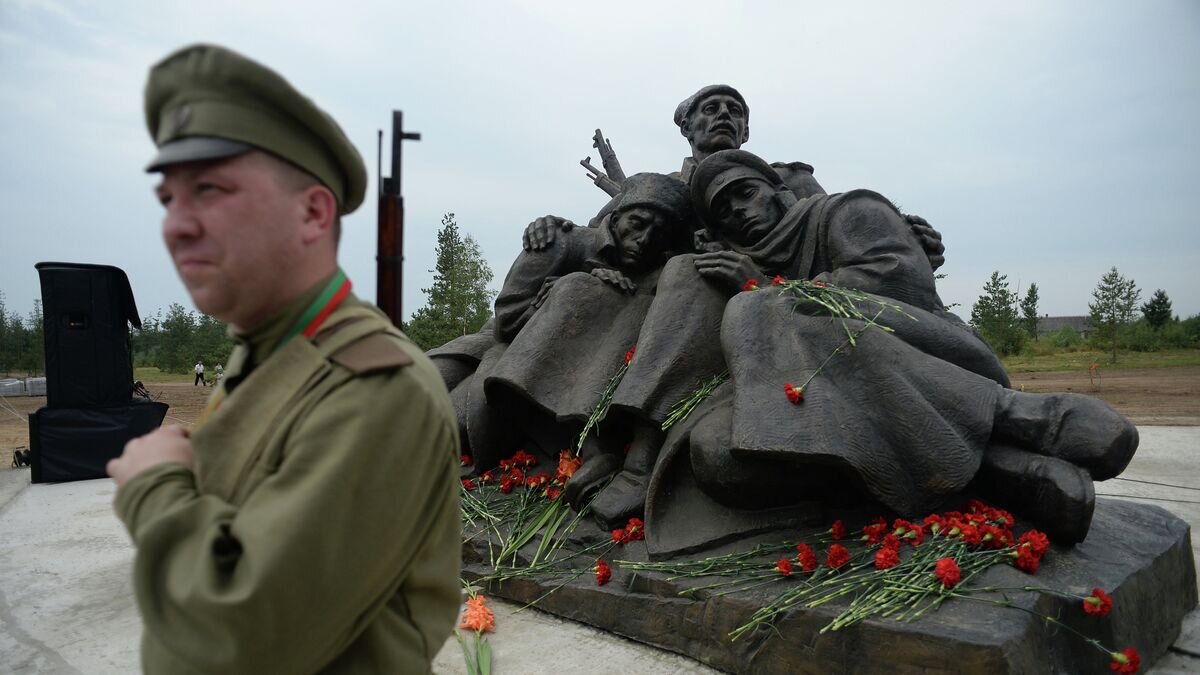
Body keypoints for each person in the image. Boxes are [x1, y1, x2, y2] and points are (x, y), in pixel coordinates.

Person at [105, 44, 460, 673]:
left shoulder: (376, 387)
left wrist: (155, 487)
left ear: (312, 212)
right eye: (168, 199)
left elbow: (238, 640)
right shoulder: (267, 349)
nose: (175, 225)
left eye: (208, 188)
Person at [639, 149, 1136, 550]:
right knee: (715, 454)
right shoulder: (734, 262)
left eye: (745, 194)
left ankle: (1022, 416)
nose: (740, 213)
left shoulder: (846, 210)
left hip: (925, 352)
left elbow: (900, 283)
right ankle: (995, 472)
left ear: (778, 190)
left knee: (773, 312)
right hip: (809, 394)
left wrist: (769, 288)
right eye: (725, 213)